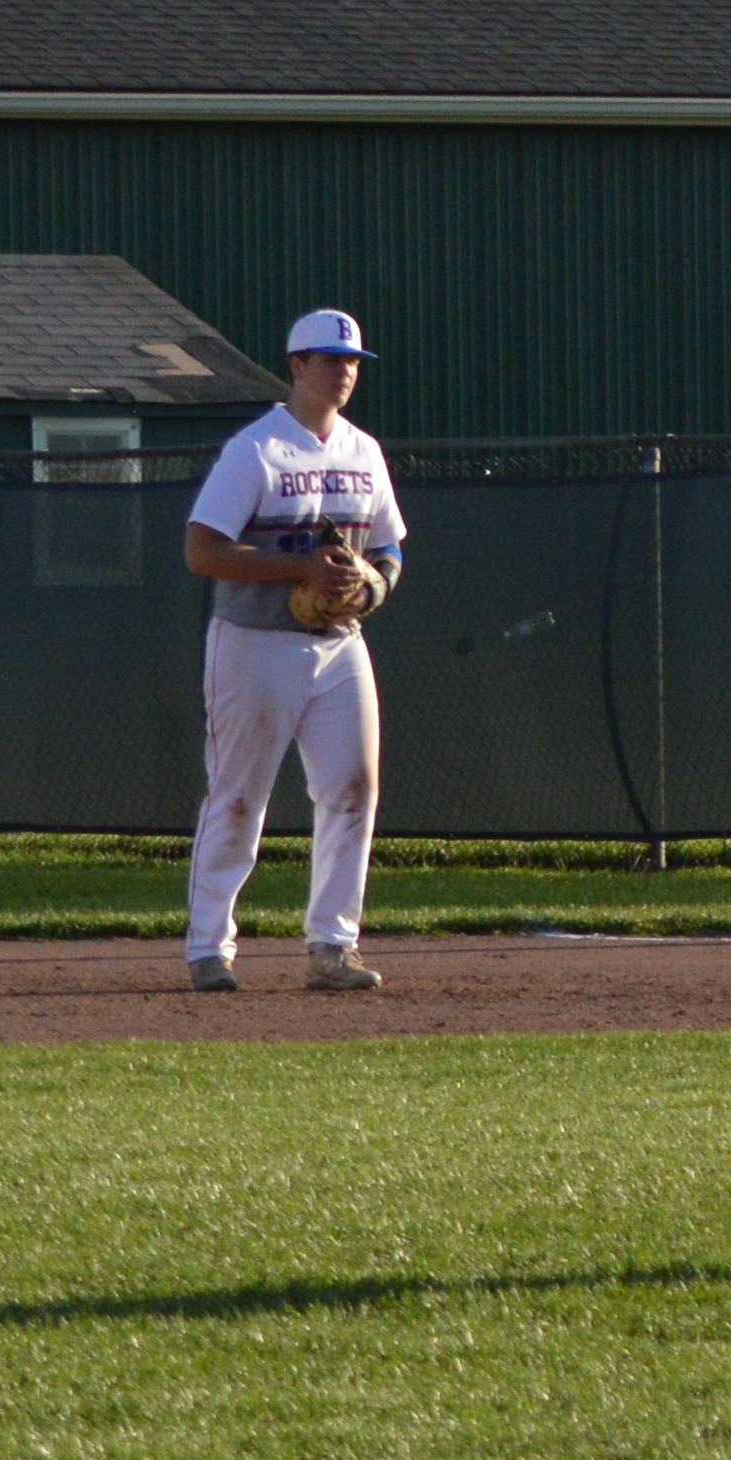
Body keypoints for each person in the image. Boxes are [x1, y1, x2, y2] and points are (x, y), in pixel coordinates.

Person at [178, 306, 409, 993]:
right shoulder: (257, 450)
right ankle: (208, 947)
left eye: (352, 363)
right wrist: (298, 570)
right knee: (239, 797)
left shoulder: (364, 452)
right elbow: (202, 552)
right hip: (254, 644)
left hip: (341, 645)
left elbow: (391, 546)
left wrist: (371, 589)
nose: (343, 372)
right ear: (296, 366)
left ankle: (334, 946)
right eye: (328, 359)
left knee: (353, 789)